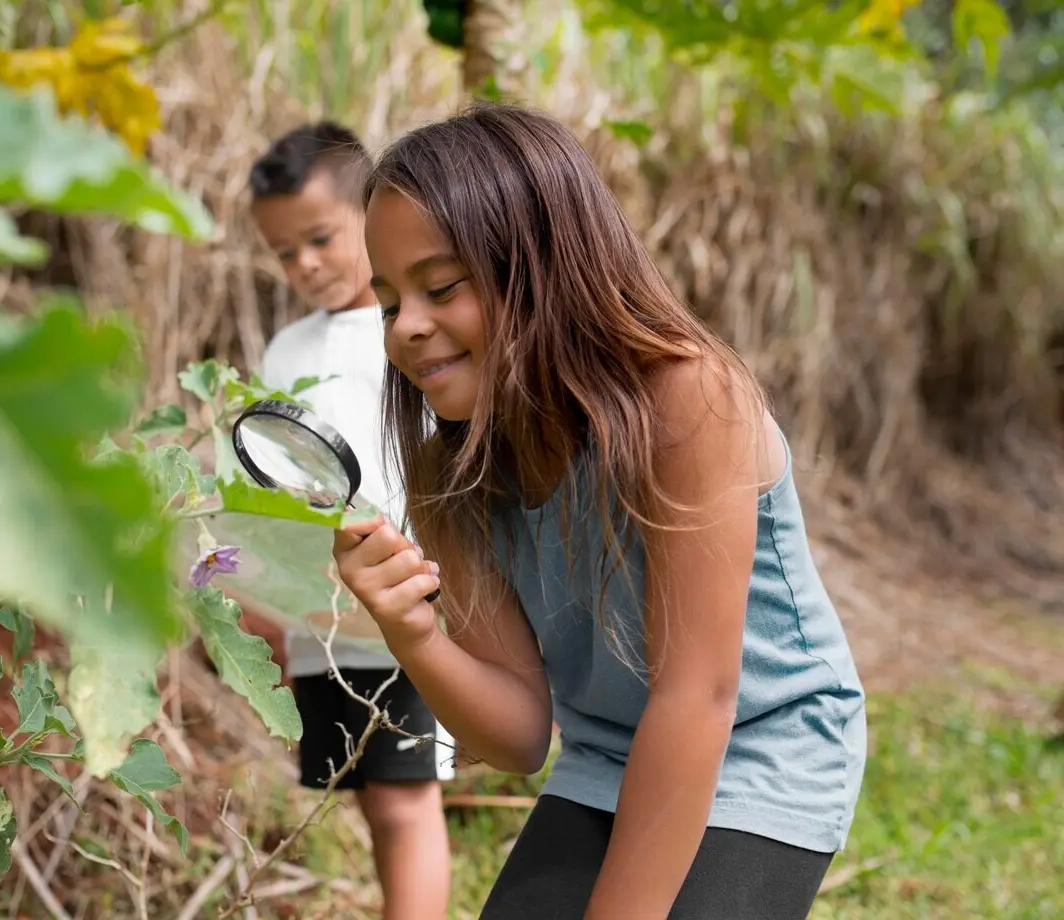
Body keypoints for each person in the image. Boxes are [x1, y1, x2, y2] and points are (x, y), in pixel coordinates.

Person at [333, 102, 868, 920]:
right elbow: (515, 738)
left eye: (440, 287)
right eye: (388, 302)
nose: (407, 327)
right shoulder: (452, 459)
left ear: (542, 264)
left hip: (766, 743)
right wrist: (413, 633)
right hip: (607, 755)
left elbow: (699, 696)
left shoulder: (690, 398)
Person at [243, 121, 454, 920]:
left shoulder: (411, 332)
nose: (304, 265)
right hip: (317, 618)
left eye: (322, 239)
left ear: (370, 215)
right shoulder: (285, 349)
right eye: (283, 252)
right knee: (367, 798)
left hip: (403, 603)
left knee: (406, 802)